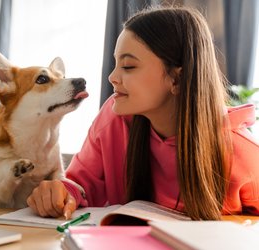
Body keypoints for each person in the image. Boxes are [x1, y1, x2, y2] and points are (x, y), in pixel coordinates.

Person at [27, 6, 259, 220]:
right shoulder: (114, 118)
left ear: (176, 78)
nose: (112, 77)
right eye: (115, 63)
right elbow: (80, 185)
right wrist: (59, 191)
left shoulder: (241, 154)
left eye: (128, 66)